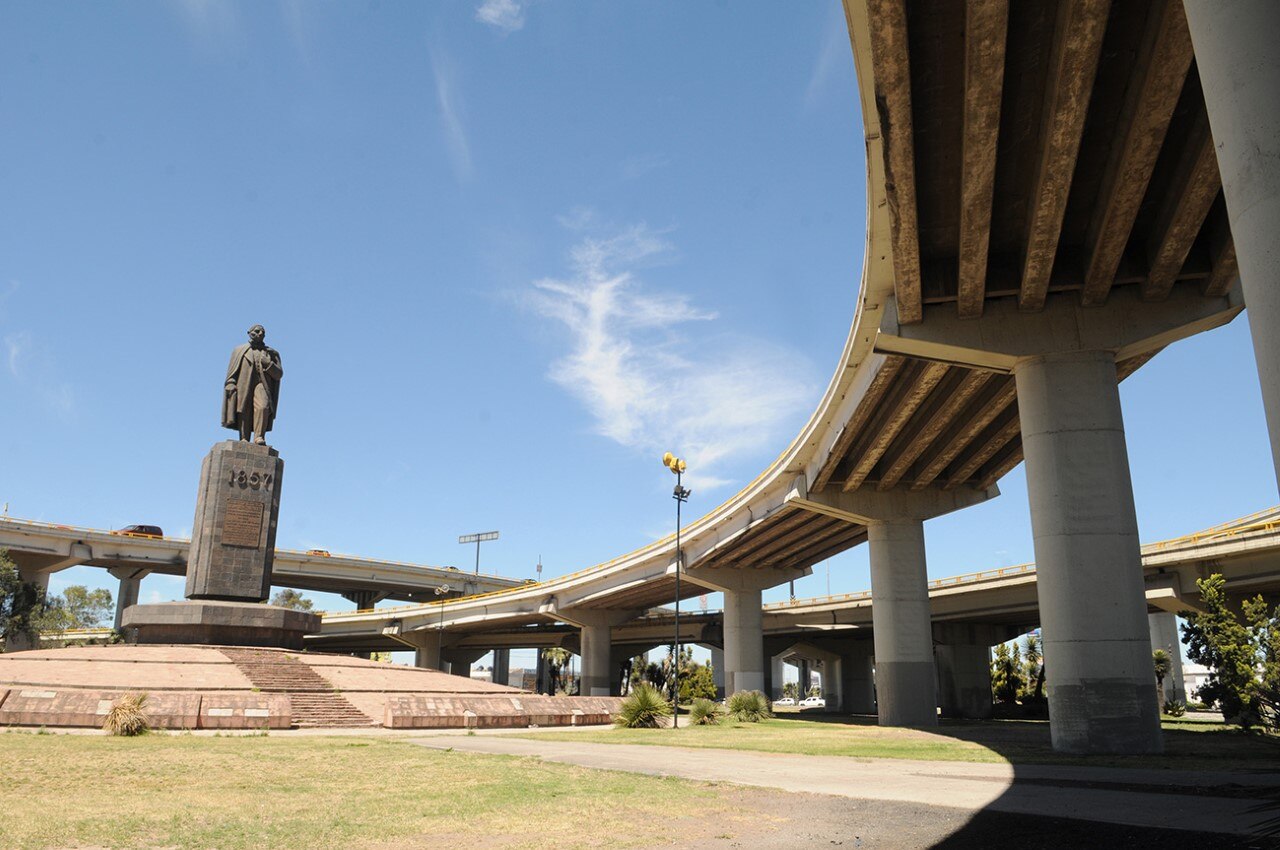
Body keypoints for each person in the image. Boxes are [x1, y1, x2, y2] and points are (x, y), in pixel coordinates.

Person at [222, 324, 283, 445]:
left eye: (262, 332)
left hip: (262, 383)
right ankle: (244, 437)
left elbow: (279, 374)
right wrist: (230, 383)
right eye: (257, 331)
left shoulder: (271, 353)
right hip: (244, 383)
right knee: (244, 408)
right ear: (249, 333)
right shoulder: (239, 350)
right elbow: (232, 370)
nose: (260, 333)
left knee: (263, 407)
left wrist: (268, 364)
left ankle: (259, 436)